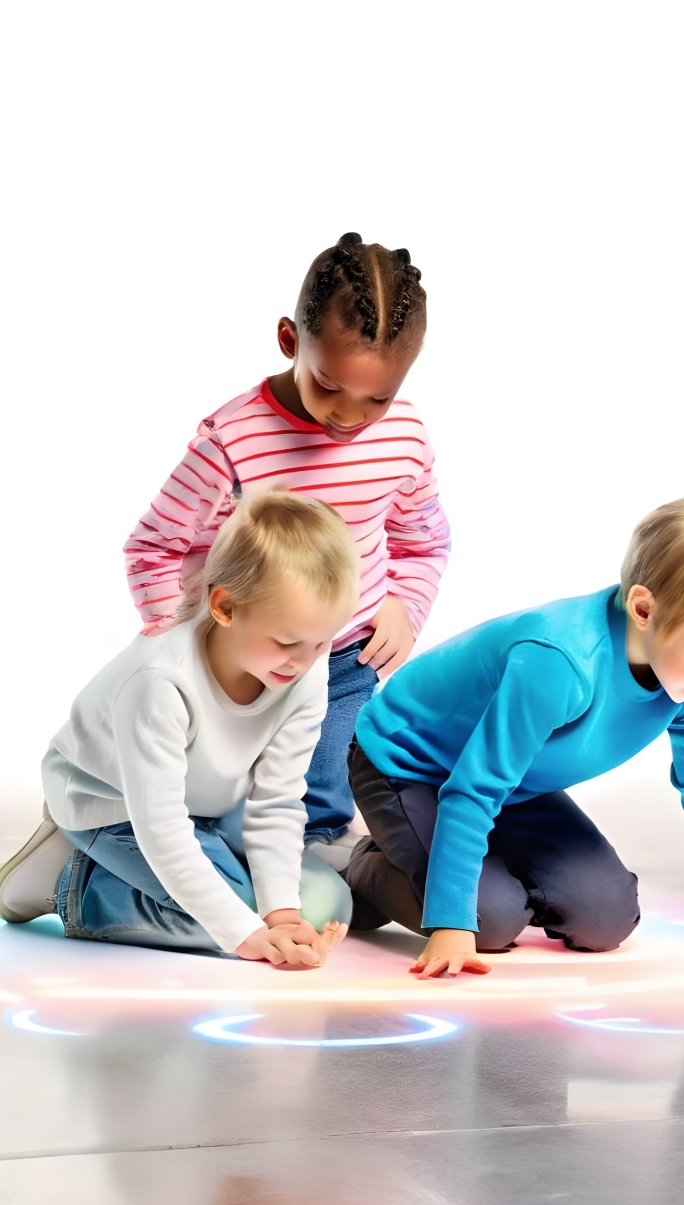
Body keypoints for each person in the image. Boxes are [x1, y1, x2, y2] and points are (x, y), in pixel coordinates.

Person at [346, 492, 684, 978]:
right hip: (408, 765)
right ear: (644, 610)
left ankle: (454, 864)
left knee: (605, 919)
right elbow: (472, 788)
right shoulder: (559, 663)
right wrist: (452, 925)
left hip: (513, 781)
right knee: (490, 919)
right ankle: (362, 868)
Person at [123, 232, 451, 852]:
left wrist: (406, 604)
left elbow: (424, 538)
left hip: (345, 652)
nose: (350, 417)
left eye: (378, 396)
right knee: (203, 787)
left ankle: (309, 869)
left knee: (320, 798)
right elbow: (155, 546)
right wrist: (179, 642)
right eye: (329, 385)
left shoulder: (404, 438)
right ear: (289, 341)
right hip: (234, 647)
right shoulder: (232, 439)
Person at [0, 488, 357, 967]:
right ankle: (69, 880)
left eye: (322, 641)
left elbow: (278, 800)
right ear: (225, 609)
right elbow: (161, 827)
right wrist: (248, 934)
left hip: (205, 804)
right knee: (232, 916)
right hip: (112, 805)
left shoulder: (306, 664)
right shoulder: (160, 679)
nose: (306, 660)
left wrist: (284, 917)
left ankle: (244, 901)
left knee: (326, 904)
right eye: (288, 641)